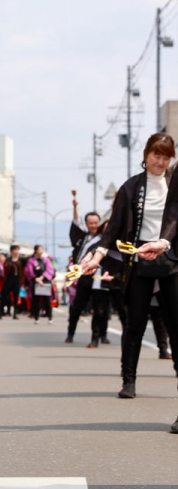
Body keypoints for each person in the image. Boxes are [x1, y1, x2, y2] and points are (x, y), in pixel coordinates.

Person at [81, 132, 178, 400]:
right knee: (134, 324)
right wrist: (97, 257)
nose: (160, 161)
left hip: (170, 258)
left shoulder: (175, 184)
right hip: (138, 259)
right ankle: (129, 380)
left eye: (166, 157)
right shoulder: (131, 187)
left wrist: (163, 245)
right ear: (146, 154)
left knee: (175, 327)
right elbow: (112, 230)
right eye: (156, 155)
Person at [65, 199, 102, 344]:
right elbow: (75, 222)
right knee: (77, 307)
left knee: (99, 310)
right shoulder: (82, 238)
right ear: (86, 224)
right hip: (83, 277)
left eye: (96, 222)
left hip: (99, 277)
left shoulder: (105, 239)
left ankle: (96, 338)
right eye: (90, 223)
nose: (93, 225)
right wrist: (75, 207)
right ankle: (70, 333)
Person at [25, 245, 55, 321]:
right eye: (40, 249)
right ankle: (36, 317)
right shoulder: (31, 260)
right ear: (36, 250)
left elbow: (50, 270)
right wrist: (36, 279)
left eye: (42, 249)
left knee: (47, 300)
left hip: (45, 282)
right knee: (36, 301)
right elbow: (29, 271)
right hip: (35, 282)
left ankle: (50, 317)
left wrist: (42, 278)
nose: (41, 250)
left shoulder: (46, 260)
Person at [0, 244, 25, 318]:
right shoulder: (8, 260)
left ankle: (15, 314)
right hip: (8, 281)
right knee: (4, 297)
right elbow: (4, 270)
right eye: (15, 250)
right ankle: (1, 313)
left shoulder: (21, 260)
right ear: (11, 251)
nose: (16, 251)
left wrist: (23, 282)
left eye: (17, 250)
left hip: (17, 281)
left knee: (16, 298)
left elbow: (24, 271)